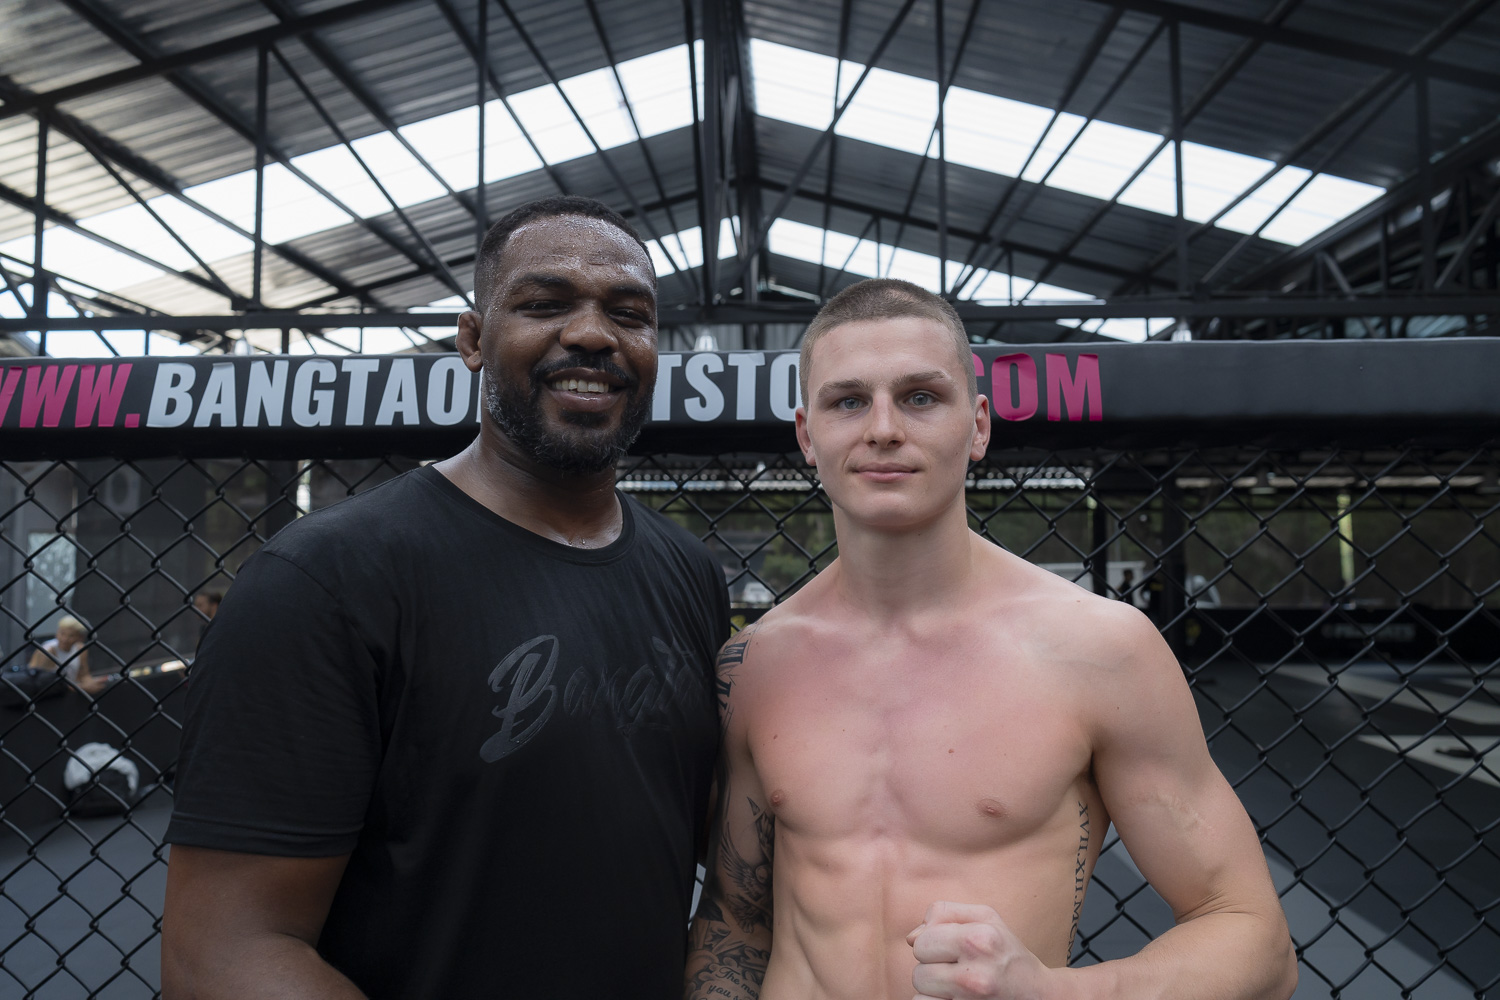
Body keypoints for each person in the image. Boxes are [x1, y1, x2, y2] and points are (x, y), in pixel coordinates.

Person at [163, 196, 728, 999]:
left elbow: (733, 843)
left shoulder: (690, 573)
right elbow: (222, 953)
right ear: (471, 340)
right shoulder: (324, 579)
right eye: (545, 304)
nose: (593, 334)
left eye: (629, 314)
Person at [685, 279, 1296, 1000]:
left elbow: (1255, 938)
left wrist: (1054, 994)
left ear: (977, 427)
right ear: (806, 436)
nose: (883, 428)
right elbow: (734, 925)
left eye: (920, 397)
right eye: (847, 401)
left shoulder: (1100, 650)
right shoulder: (756, 665)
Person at [29, 615, 107, 695]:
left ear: (80, 637)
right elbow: (40, 683)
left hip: (69, 694)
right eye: (62, 633)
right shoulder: (47, 651)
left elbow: (84, 674)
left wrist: (91, 682)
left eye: (71, 636)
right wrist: (82, 687)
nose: (65, 639)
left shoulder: (80, 649)